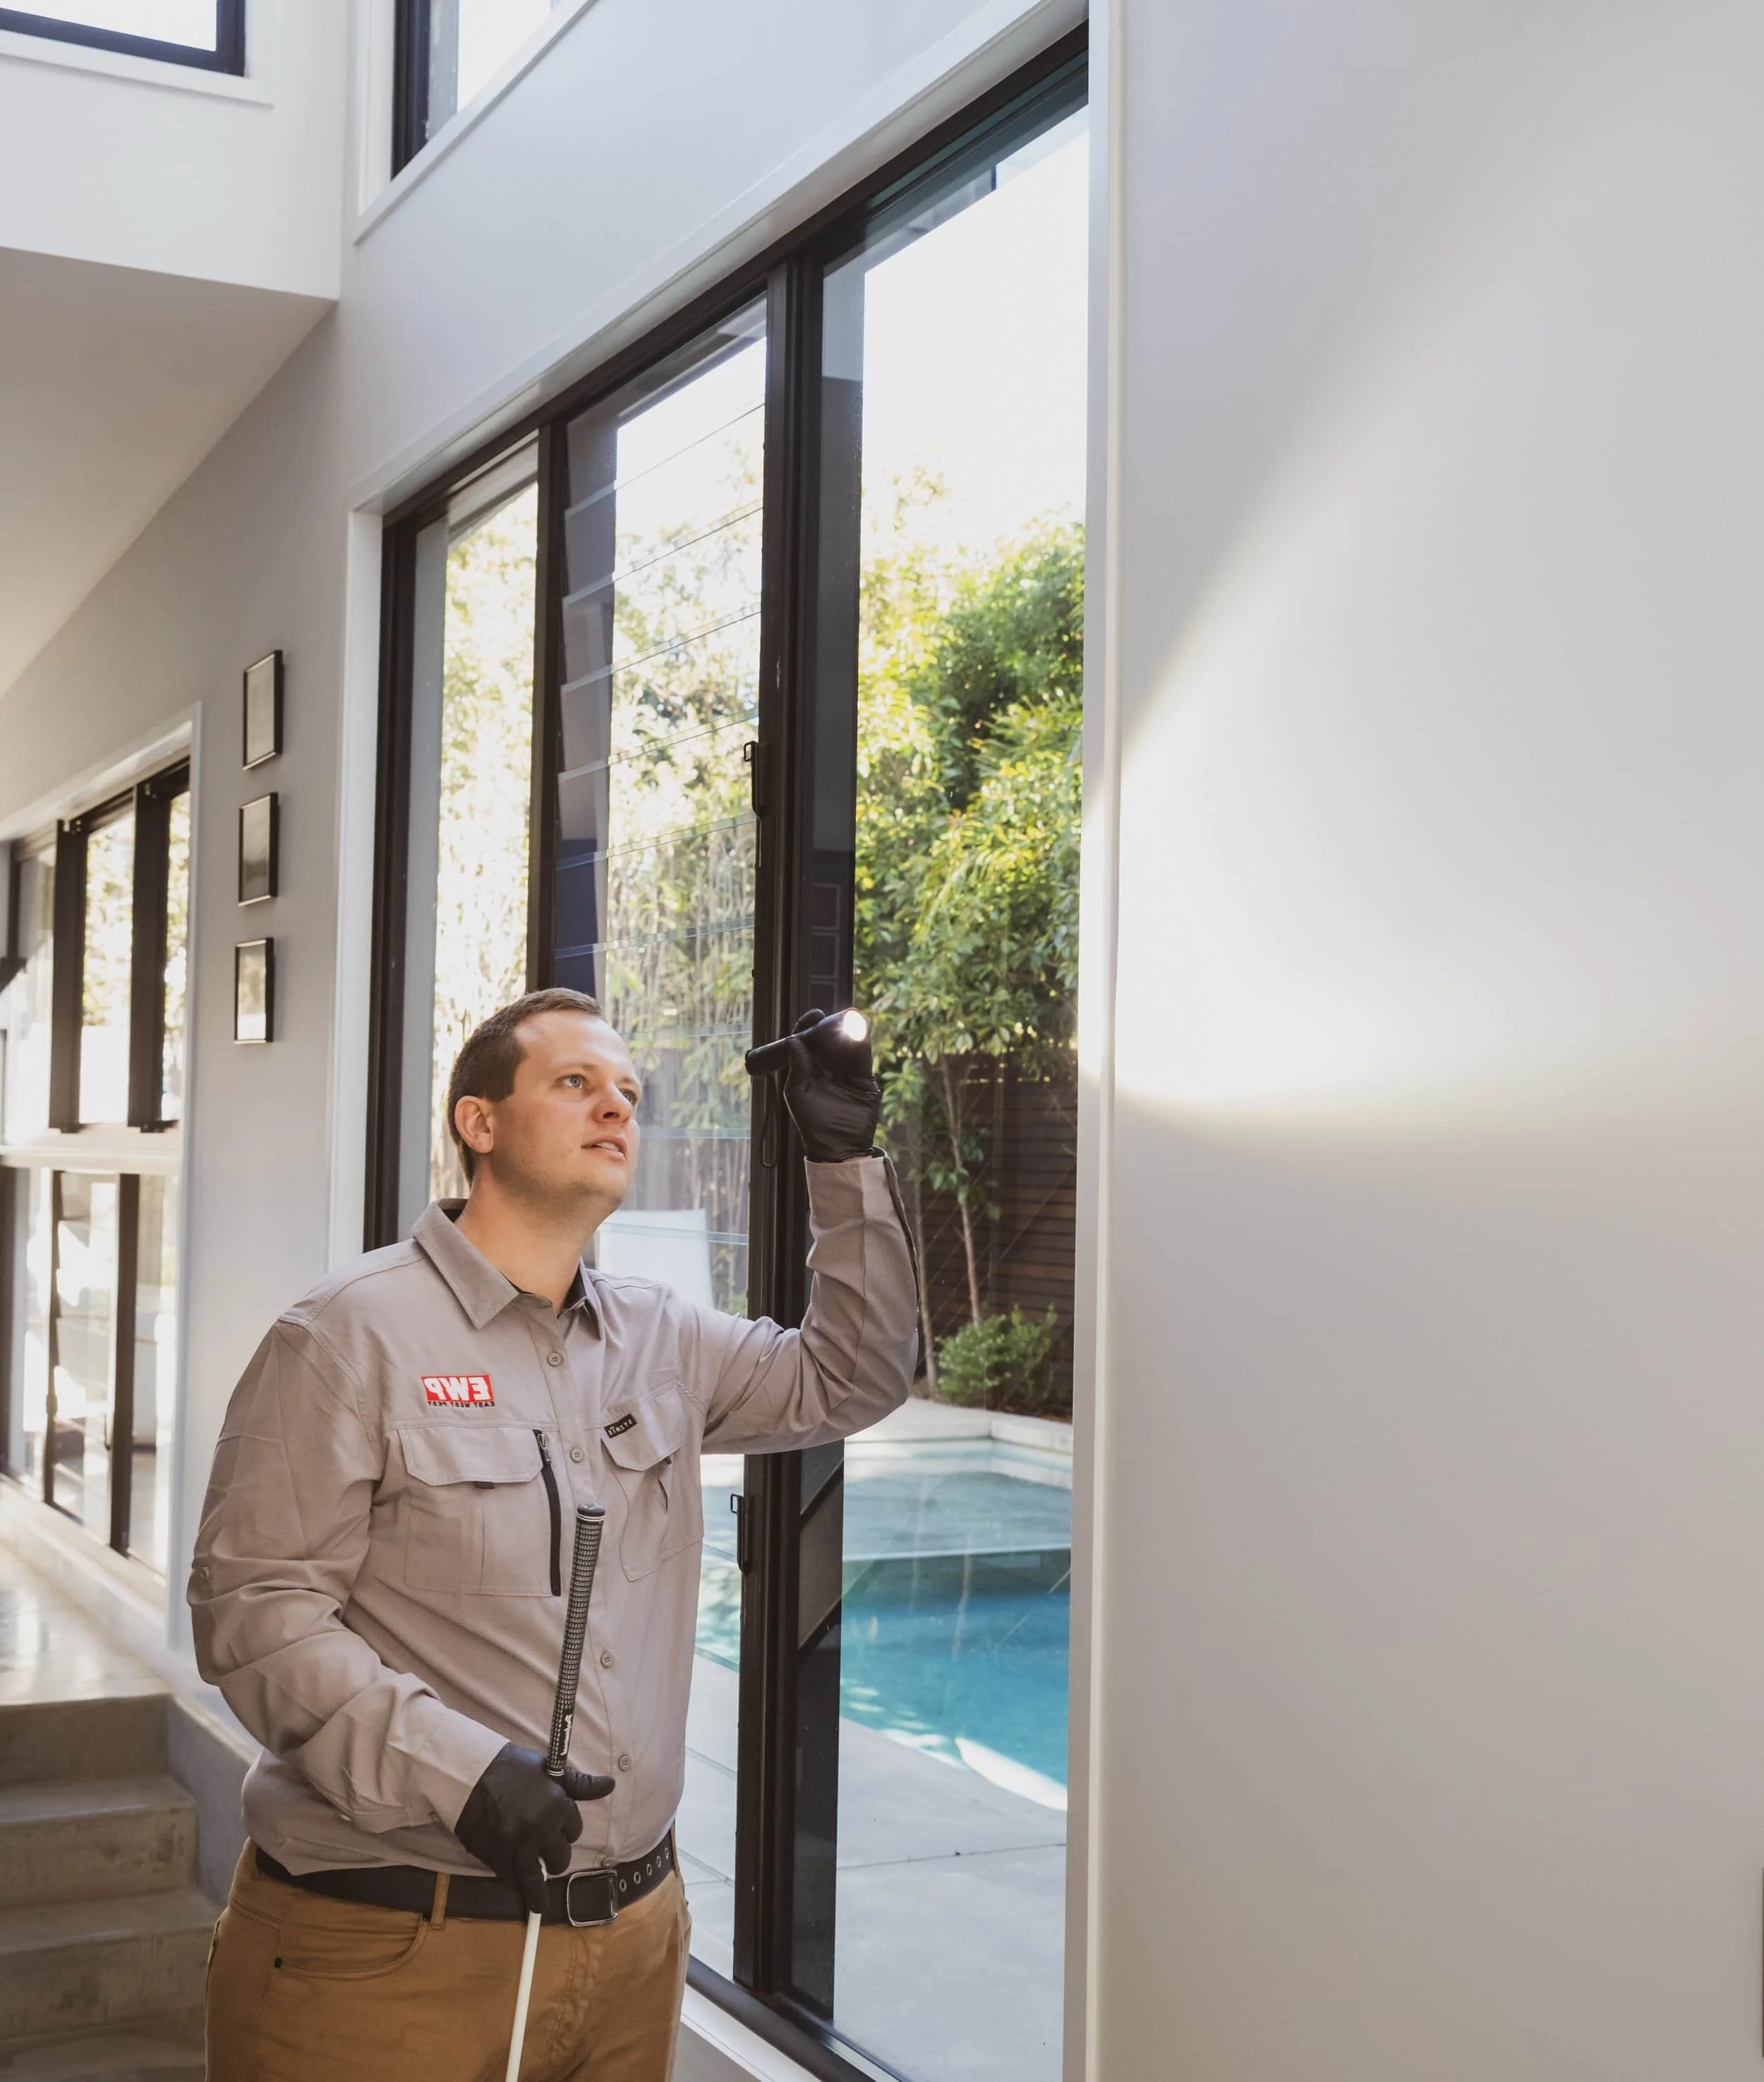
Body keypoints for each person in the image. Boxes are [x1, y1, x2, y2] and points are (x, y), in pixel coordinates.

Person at [190, 987, 916, 2081]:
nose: (616, 1107)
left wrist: (845, 1162)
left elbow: (852, 1374)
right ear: (477, 1122)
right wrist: (463, 1769)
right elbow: (255, 1612)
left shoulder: (662, 1337)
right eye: (575, 1082)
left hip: (631, 1950)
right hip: (389, 1953)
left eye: (629, 1092)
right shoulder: (349, 1335)